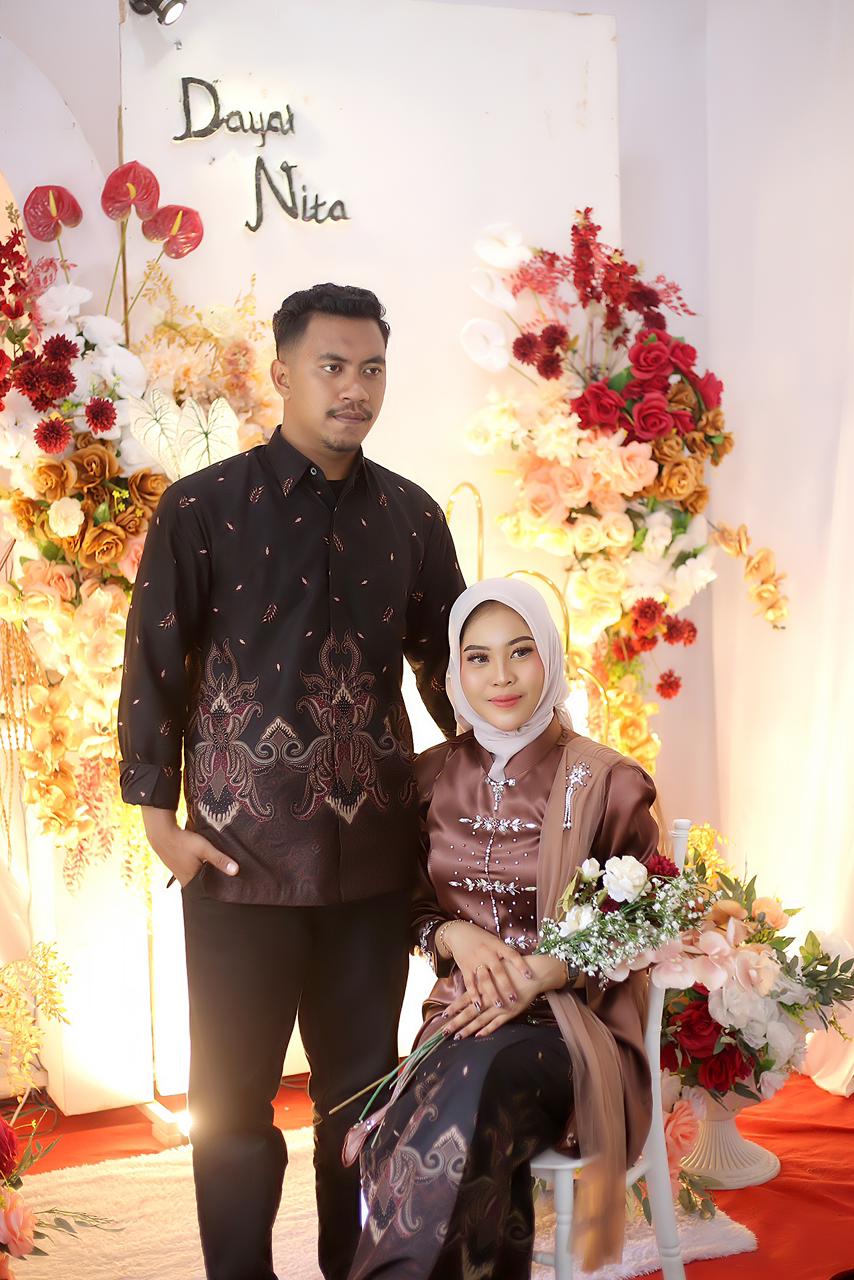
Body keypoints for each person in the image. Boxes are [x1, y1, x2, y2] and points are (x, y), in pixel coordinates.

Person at [117, 283, 465, 1280]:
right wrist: (158, 820)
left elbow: (451, 670)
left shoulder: (411, 515)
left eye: (372, 368)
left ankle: (358, 1269)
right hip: (236, 858)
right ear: (280, 373)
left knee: (361, 1103)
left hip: (371, 863)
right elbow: (155, 659)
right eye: (333, 366)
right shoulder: (202, 507)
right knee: (230, 1105)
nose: (356, 388)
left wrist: (514, 774)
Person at [346, 578, 659, 1279]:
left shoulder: (608, 782)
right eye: (479, 658)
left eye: (521, 652)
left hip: (572, 1033)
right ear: (455, 673)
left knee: (471, 1085)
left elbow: (644, 915)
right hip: (462, 1021)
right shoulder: (430, 779)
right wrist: (448, 935)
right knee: (459, 1095)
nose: (501, 676)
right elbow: (403, 903)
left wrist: (553, 967)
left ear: (550, 655)